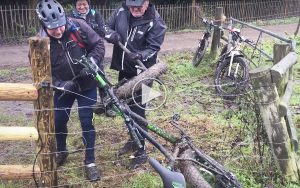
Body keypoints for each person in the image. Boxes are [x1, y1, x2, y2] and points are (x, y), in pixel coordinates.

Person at [36, 0, 105, 181]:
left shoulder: (79, 26)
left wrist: (91, 62)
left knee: (86, 121)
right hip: (64, 88)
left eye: (60, 26)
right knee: (58, 120)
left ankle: (90, 161)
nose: (58, 31)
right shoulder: (40, 43)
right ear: (44, 24)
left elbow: (98, 45)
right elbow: (41, 73)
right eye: (53, 29)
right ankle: (62, 150)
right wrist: (59, 84)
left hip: (87, 84)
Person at [104, 0, 166, 169]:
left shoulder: (156, 22)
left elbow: (153, 48)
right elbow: (106, 27)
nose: (134, 9)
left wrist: (140, 55)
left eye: (138, 6)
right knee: (125, 108)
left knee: (139, 111)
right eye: (131, 5)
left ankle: (141, 150)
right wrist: (111, 34)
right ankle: (133, 140)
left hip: (144, 74)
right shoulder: (121, 11)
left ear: (147, 3)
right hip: (123, 70)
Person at [70, 0, 116, 117]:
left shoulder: (96, 14)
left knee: (101, 79)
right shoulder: (70, 16)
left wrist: (88, 32)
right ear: (75, 6)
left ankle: (108, 107)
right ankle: (84, 106)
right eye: (79, 4)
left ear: (88, 5)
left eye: (84, 4)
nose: (82, 7)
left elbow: (101, 31)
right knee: (80, 77)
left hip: (95, 52)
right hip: (78, 53)